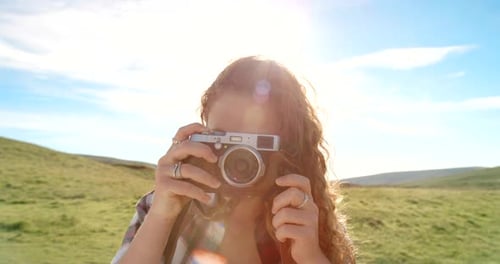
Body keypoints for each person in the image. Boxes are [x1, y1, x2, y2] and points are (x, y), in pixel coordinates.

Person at [112, 56, 356, 264]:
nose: (237, 158)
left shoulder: (310, 223)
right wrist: (161, 218)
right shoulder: (164, 206)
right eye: (222, 139)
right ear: (201, 137)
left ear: (289, 148)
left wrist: (311, 256)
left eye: (257, 142)